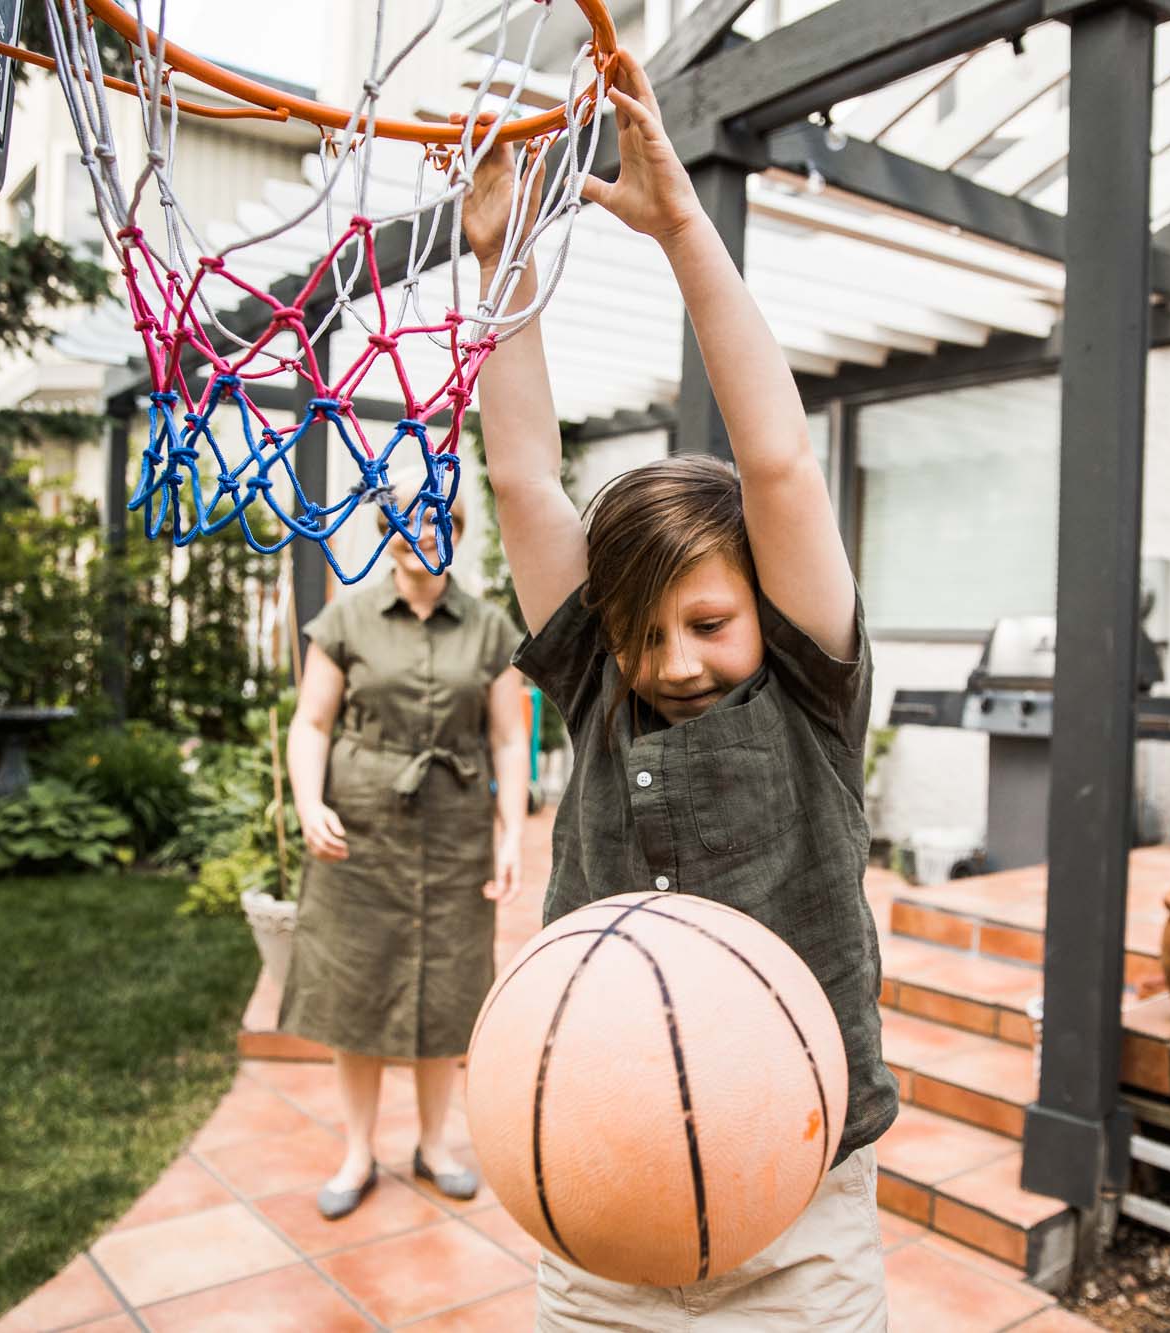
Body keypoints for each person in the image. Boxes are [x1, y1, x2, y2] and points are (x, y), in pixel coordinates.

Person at [463, 50, 895, 1330]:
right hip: (597, 1189)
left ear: (764, 601)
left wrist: (679, 230)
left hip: (800, 1204)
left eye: (707, 623)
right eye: (641, 633)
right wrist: (501, 267)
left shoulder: (808, 688)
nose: (673, 660)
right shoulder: (597, 686)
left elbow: (778, 460)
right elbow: (524, 480)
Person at [280, 493, 529, 1220]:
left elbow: (508, 738)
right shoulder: (346, 621)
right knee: (355, 986)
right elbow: (312, 722)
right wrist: (308, 803)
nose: (420, 532)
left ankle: (434, 1146)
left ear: (456, 533)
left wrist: (512, 833)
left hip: (454, 832)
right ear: (386, 533)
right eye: (406, 520)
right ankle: (358, 1153)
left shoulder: (489, 627)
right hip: (359, 830)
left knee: (446, 986)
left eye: (436, 520)